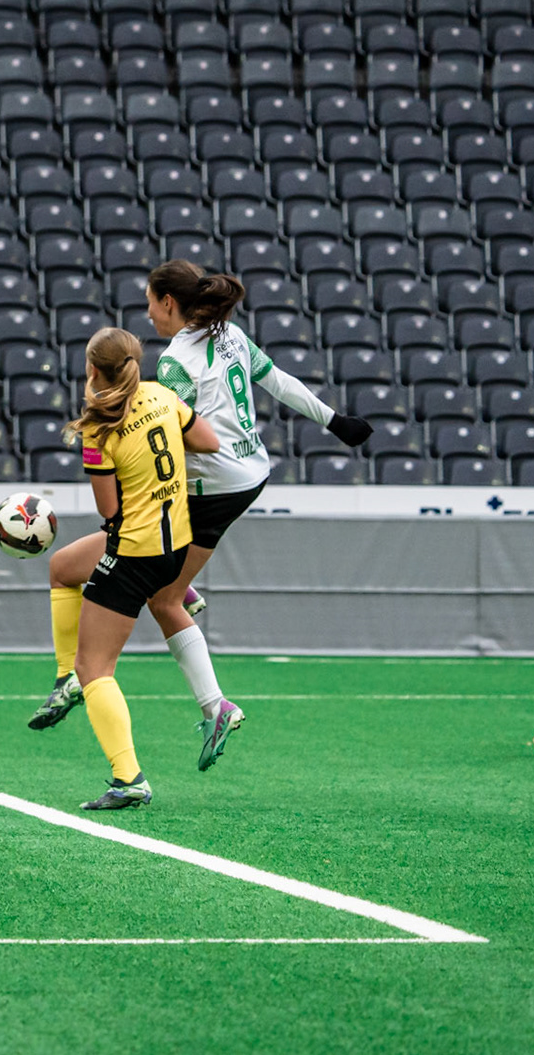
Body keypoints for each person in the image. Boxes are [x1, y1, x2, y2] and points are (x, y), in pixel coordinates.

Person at [31, 261, 373, 771]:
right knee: (164, 596)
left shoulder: (172, 364)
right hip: (249, 477)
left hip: (208, 487)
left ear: (169, 302)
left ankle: (79, 678)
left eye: (150, 301)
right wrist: (336, 421)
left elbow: (170, 441)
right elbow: (278, 382)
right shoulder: (230, 334)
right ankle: (215, 704)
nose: (147, 312)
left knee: (106, 568)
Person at [46, 327, 221, 810]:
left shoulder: (96, 430)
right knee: (63, 566)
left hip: (133, 550)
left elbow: (109, 511)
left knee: (94, 667)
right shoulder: (163, 396)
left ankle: (129, 779)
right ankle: (67, 679)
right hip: (174, 544)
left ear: (93, 371)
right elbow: (208, 442)